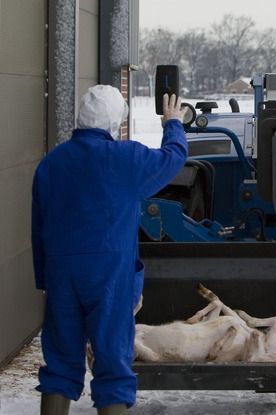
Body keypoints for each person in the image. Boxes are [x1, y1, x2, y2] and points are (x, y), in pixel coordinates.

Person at [32, 85, 187, 414]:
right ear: (115, 123)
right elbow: (174, 159)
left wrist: (44, 277)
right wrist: (173, 123)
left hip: (62, 276)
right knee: (112, 362)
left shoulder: (50, 164)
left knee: (59, 361)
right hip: (109, 277)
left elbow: (39, 226)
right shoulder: (126, 158)